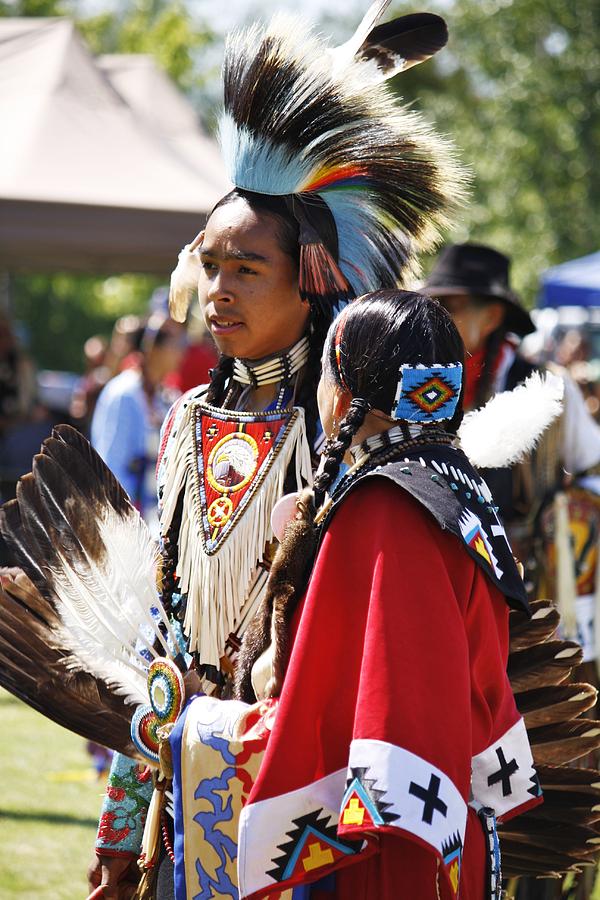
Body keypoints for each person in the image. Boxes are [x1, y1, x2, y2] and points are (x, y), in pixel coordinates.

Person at [88, 8, 465, 897]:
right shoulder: (184, 424)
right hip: (190, 788)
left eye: (246, 269)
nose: (217, 292)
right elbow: (164, 632)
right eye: (208, 265)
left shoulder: (355, 443)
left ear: (316, 276)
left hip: (313, 802)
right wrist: (123, 814)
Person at [164, 290, 542, 900]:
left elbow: (356, 715)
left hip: (387, 850)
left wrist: (199, 726)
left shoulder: (385, 507)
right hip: (445, 826)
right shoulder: (457, 491)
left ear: (339, 393)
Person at [91, 313, 186, 537]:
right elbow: (110, 464)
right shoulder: (123, 394)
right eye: (174, 345)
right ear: (152, 349)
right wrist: (125, 523)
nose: (181, 352)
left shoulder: (167, 398)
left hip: (156, 518)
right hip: (124, 521)